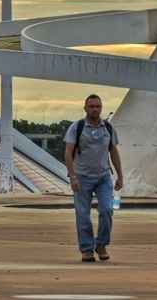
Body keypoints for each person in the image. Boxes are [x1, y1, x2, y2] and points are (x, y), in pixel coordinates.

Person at [64, 94, 123, 262]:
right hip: (82, 177)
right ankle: (87, 249)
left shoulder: (109, 128)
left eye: (97, 106)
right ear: (85, 108)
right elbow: (68, 152)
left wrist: (120, 176)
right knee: (83, 214)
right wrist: (72, 176)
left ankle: (101, 244)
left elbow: (114, 152)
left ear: (101, 108)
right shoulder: (77, 127)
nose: (95, 109)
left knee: (107, 210)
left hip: (104, 177)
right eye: (91, 106)